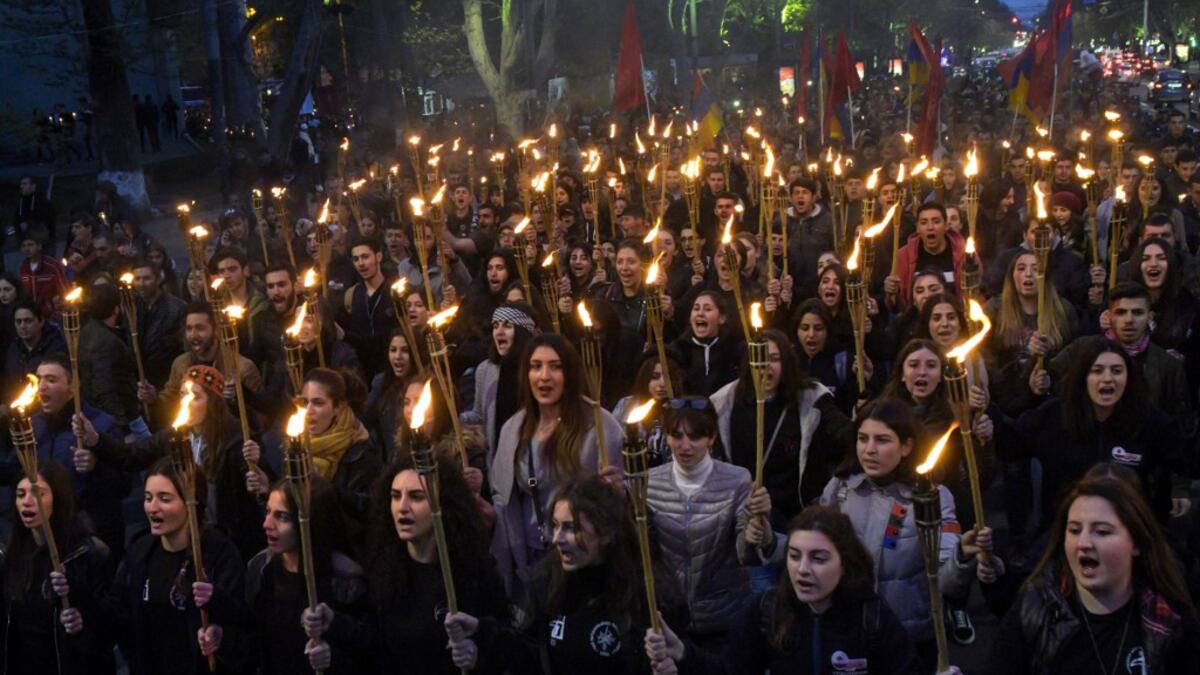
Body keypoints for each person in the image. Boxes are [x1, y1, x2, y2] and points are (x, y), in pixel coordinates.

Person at [644, 505, 921, 675]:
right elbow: (728, 671)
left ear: (845, 562)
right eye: (795, 555)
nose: (803, 569)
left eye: (819, 558)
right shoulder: (767, 610)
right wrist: (682, 652)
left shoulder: (870, 616)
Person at [447, 477, 683, 674]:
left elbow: (674, 657)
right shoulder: (544, 582)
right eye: (556, 525)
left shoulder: (649, 594)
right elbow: (526, 654)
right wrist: (481, 635)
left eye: (571, 528)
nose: (557, 538)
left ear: (607, 533)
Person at [305, 448, 508, 674]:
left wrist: (477, 655)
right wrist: (334, 624)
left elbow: (509, 645)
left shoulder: (473, 569)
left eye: (416, 496)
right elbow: (377, 646)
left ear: (442, 504)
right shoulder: (386, 567)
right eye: (395, 496)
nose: (402, 507)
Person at [820, 398, 985, 664]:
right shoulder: (840, 489)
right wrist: (768, 540)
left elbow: (946, 580)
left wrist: (962, 557)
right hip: (850, 628)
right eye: (863, 439)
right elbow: (814, 550)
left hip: (910, 635)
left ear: (906, 446)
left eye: (882, 440)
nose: (869, 450)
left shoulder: (933, 498)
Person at [989, 474, 1200, 674]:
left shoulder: (1170, 619)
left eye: (1101, 531)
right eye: (1074, 530)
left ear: (1135, 542)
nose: (1084, 543)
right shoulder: (1036, 606)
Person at [996, 337, 1196, 528]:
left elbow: (1187, 456)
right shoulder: (1054, 416)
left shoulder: (1146, 419)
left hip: (1129, 533)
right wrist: (987, 417)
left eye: (1117, 371)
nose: (1107, 379)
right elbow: (1010, 445)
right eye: (1097, 371)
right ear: (1083, 377)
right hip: (1064, 533)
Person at [489, 334, 624, 594]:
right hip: (530, 554)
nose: (544, 376)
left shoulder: (598, 425)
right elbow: (503, 498)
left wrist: (616, 490)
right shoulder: (514, 428)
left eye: (555, 366)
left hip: (580, 554)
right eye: (536, 366)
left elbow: (624, 493)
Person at [98, 459, 250, 674]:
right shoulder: (140, 551)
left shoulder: (219, 552)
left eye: (165, 499)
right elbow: (119, 614)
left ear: (191, 502)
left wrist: (218, 630)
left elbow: (241, 620)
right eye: (148, 498)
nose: (153, 507)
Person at [646, 396, 773, 643]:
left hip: (725, 621)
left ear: (712, 438)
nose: (684, 446)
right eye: (676, 435)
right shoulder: (648, 483)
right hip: (670, 622)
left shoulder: (736, 480)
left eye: (695, 437)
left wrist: (757, 530)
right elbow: (645, 555)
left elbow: (746, 555)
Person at [710, 328, 855, 531]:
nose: (766, 366)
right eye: (760, 358)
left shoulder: (811, 399)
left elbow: (843, 434)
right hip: (745, 515)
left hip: (795, 515)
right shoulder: (725, 402)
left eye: (775, 358)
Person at [245, 368, 381, 555]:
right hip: (302, 551)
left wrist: (320, 485)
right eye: (304, 402)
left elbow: (367, 510)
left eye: (318, 403)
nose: (308, 411)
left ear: (338, 407)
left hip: (343, 553)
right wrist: (268, 488)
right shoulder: (295, 446)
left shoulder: (361, 453)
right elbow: (294, 508)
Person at [0, 460, 116, 674]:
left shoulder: (87, 553)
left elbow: (111, 624)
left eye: (38, 493)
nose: (27, 502)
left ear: (58, 498)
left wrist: (81, 617)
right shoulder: (10, 554)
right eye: (20, 494)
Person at [245, 476, 366, 674]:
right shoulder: (261, 568)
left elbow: (368, 649)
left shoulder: (345, 578)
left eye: (282, 517)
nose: (267, 524)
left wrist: (332, 654)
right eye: (268, 512)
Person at [471, 304, 537, 458]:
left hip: (529, 456)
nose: (499, 331)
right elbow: (479, 415)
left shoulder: (536, 370)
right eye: (495, 326)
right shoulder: (485, 370)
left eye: (507, 326)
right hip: (498, 459)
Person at [670, 290, 744, 398]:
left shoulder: (734, 349)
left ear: (722, 318)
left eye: (707, 309)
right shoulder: (678, 349)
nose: (700, 313)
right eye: (696, 309)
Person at [3, 300, 67, 393]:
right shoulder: (13, 349)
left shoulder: (56, 348)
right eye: (18, 321)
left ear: (41, 322)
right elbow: (9, 382)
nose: (23, 326)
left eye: (28, 321)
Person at [17, 226, 66, 319]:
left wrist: (57, 310)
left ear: (39, 246)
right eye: (23, 246)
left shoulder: (52, 266)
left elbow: (64, 290)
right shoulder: (23, 268)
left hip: (52, 316)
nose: (26, 249)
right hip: (32, 317)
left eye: (30, 245)